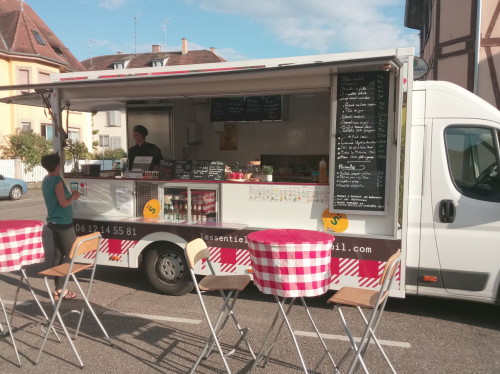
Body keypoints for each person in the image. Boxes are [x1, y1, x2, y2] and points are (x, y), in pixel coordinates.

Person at [41, 154, 81, 300]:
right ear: (58, 166)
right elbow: (64, 203)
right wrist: (73, 197)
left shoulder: (45, 180)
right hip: (63, 223)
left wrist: (68, 196)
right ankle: (62, 289)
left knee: (58, 254)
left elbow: (56, 200)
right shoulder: (57, 180)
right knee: (71, 254)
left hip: (53, 222)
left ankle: (58, 288)